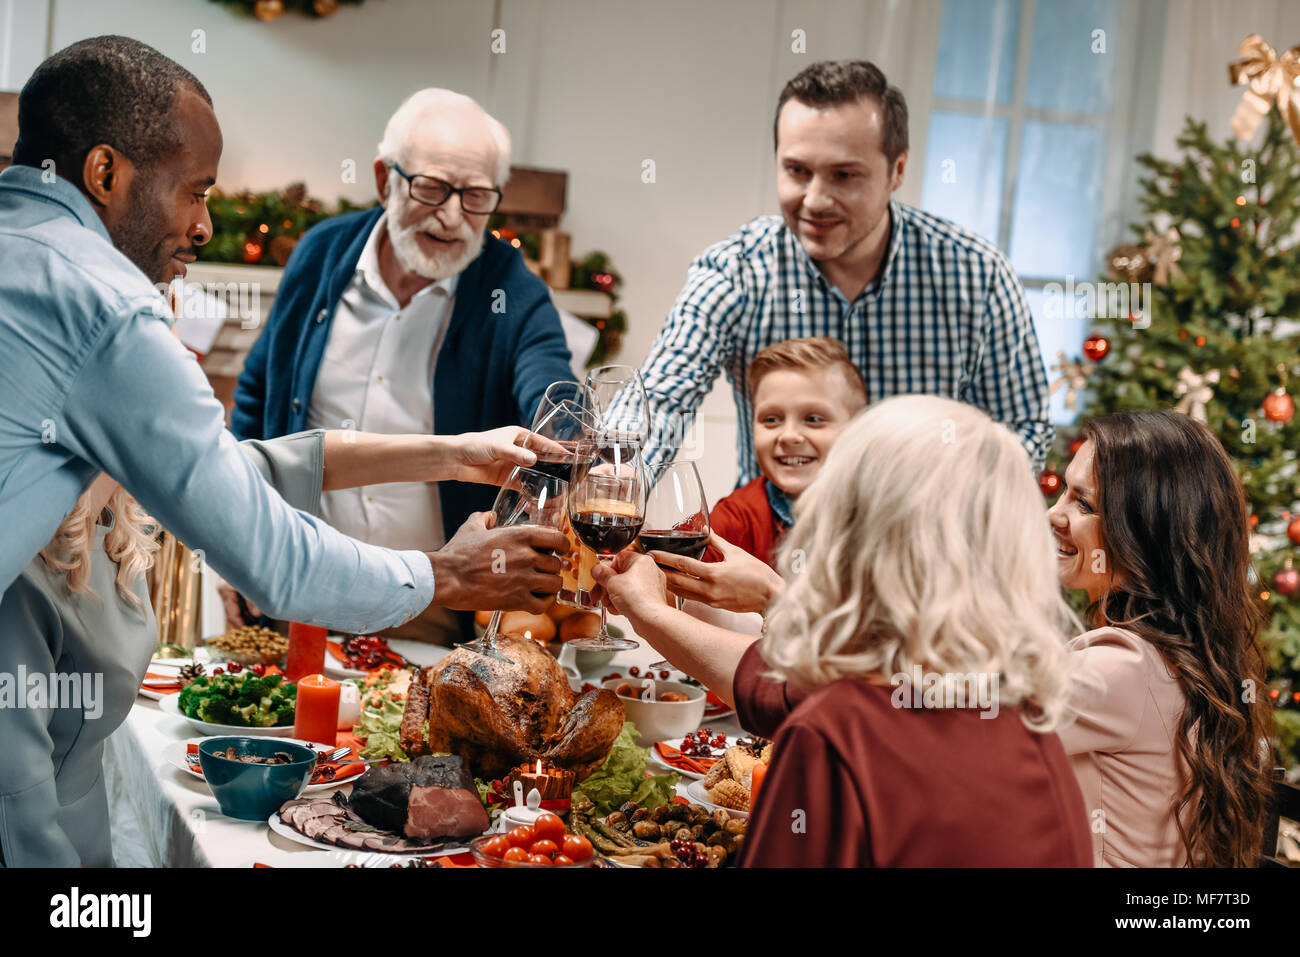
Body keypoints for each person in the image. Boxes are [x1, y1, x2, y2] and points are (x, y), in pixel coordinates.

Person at [0, 37, 566, 635]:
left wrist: (453, 455)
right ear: (105, 172)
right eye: (195, 191)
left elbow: (222, 469)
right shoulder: (108, 309)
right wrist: (445, 573)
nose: (203, 227)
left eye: (476, 197)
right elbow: (268, 550)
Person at [0, 425, 538, 867]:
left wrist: (457, 454)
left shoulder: (114, 477)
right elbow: (15, 800)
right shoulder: (21, 553)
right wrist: (444, 572)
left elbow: (268, 466)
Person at [596, 396, 1092, 867]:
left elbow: (812, 704)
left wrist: (653, 611)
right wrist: (653, 613)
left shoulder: (831, 738)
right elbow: (778, 688)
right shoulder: (1019, 716)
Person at [231, 88, 575, 642]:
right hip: (300, 580)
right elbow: (255, 394)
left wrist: (573, 443)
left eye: (477, 196)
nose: (452, 216)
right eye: (433, 188)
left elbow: (551, 386)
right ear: (383, 179)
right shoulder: (321, 254)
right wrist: (232, 534)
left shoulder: (509, 287)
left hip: (436, 597)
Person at [637, 59, 1052, 482]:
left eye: (843, 175)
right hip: (769, 546)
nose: (815, 200)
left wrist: (945, 501)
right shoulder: (735, 272)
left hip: (925, 542)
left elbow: (1024, 431)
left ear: (898, 171)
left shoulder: (977, 275)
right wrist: (609, 486)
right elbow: (657, 405)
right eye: (797, 171)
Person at [1047, 411, 1274, 867]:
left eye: (1083, 504)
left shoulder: (1118, 669)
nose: (1054, 513)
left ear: (1145, 534)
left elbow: (960, 739)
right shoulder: (1180, 652)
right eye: (1062, 493)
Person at [649, 337, 864, 614]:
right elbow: (671, 582)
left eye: (813, 419)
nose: (788, 436)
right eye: (771, 419)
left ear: (858, 430)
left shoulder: (890, 518)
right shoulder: (738, 516)